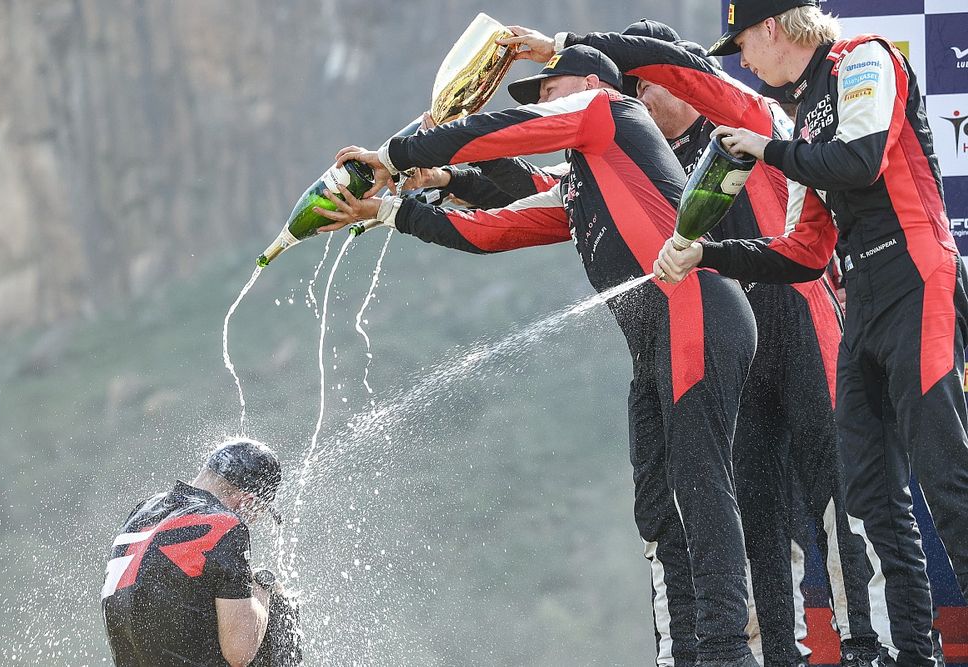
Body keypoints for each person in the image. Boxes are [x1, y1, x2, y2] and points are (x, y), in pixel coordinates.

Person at [319, 44, 760, 667]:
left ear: (585, 83)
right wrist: (394, 209)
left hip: (697, 312)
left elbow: (505, 133)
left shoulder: (610, 110)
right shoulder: (587, 178)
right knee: (659, 503)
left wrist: (395, 155)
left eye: (549, 89)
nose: (543, 101)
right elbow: (492, 228)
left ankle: (724, 652)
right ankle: (684, 650)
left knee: (699, 481)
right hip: (657, 339)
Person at [497, 21, 880, 667]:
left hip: (803, 321)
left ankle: (874, 648)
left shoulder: (735, 107)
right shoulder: (650, 156)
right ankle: (775, 656)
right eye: (634, 94)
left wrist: (560, 44)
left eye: (649, 88)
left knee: (839, 497)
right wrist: (447, 184)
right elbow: (558, 197)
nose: (642, 103)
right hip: (735, 344)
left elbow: (673, 65)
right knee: (757, 523)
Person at [653, 1, 968, 664]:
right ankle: (917, 652)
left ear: (774, 28)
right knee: (871, 493)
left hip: (919, 276)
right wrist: (708, 254)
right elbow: (801, 251)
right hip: (867, 300)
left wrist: (767, 149)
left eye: (742, 44)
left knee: (945, 473)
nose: (744, 61)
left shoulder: (864, 60)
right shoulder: (799, 118)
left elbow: (859, 161)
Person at [101, 439, 283, 667]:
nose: (253, 522)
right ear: (246, 502)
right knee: (277, 605)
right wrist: (263, 585)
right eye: (258, 513)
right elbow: (239, 653)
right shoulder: (225, 525)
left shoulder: (143, 512)